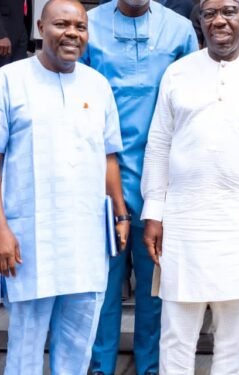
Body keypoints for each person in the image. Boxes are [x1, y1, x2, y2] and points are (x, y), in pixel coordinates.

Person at [0, 0, 130, 373]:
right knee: (25, 348)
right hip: (30, 239)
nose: (72, 33)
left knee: (78, 347)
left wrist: (120, 213)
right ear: (40, 28)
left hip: (87, 239)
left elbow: (108, 157)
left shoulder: (98, 85)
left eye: (80, 26)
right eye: (62, 24)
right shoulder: (7, 81)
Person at [140, 0, 239, 371]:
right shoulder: (177, 73)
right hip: (184, 222)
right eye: (210, 13)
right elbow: (159, 145)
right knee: (177, 333)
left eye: (228, 11)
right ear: (200, 21)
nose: (219, 20)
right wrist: (153, 213)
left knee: (232, 336)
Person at [80, 0, 197, 373]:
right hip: (100, 176)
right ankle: (100, 368)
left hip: (161, 180)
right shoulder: (87, 25)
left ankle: (151, 369)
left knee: (155, 292)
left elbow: (193, 101)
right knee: (102, 290)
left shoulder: (180, 30)